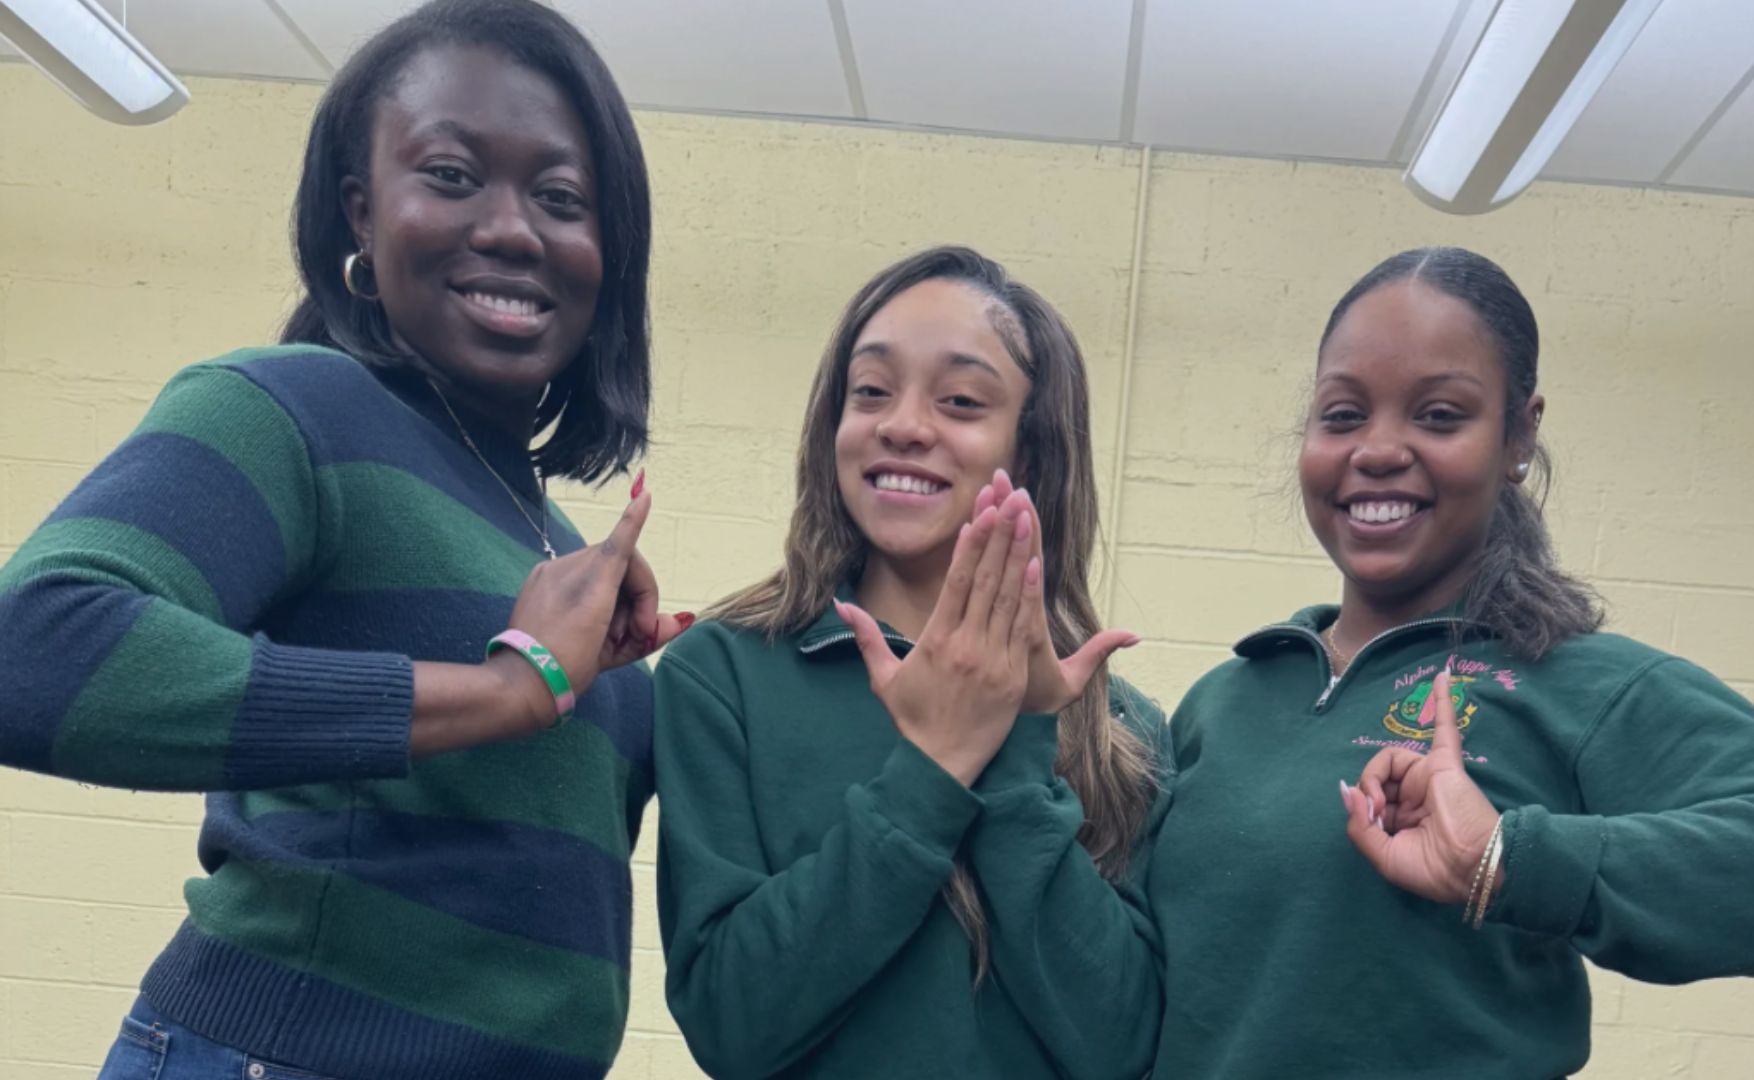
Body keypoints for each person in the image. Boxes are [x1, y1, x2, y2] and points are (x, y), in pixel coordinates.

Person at [0, 2, 687, 1077]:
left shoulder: (546, 535)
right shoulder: (296, 407)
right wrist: (506, 689)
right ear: (361, 214)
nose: (514, 229)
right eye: (453, 175)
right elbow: (34, 647)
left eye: (561, 198)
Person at [1148, 246, 1754, 1078]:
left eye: (1439, 415)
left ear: (1518, 436)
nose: (1378, 449)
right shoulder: (1226, 699)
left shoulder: (1575, 684)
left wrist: (1507, 861)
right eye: (1343, 414)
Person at [652, 246, 1168, 1078]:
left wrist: (1016, 739)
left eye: (960, 400)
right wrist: (931, 769)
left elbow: (1124, 1046)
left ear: (1031, 452)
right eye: (871, 391)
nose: (902, 425)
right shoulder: (720, 675)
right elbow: (730, 1024)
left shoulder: (1124, 728)